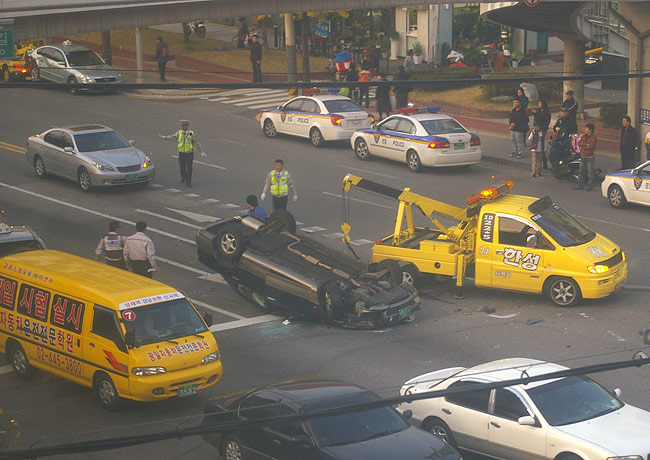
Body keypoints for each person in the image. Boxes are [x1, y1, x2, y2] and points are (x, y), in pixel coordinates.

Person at [160, 119, 206, 188]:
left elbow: (196, 143)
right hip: (181, 153)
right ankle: (183, 178)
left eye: (185, 125)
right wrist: (165, 137)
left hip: (189, 153)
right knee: (182, 167)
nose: (184, 127)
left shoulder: (191, 134)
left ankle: (188, 182)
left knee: (189, 168)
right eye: (182, 126)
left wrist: (202, 151)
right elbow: (173, 137)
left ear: (187, 126)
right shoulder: (179, 132)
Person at [575, 123, 598, 191]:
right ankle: (579, 185)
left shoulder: (593, 138)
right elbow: (579, 143)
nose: (585, 130)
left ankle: (589, 186)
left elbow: (590, 147)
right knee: (581, 171)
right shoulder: (584, 136)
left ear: (590, 130)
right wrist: (586, 145)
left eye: (586, 128)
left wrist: (584, 146)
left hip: (589, 157)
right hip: (583, 156)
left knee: (590, 172)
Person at [532, 99, 551, 168]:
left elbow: (542, 119)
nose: (539, 104)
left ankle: (544, 161)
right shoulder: (540, 111)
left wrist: (536, 114)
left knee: (541, 145)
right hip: (538, 129)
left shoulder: (546, 112)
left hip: (542, 130)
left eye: (540, 103)